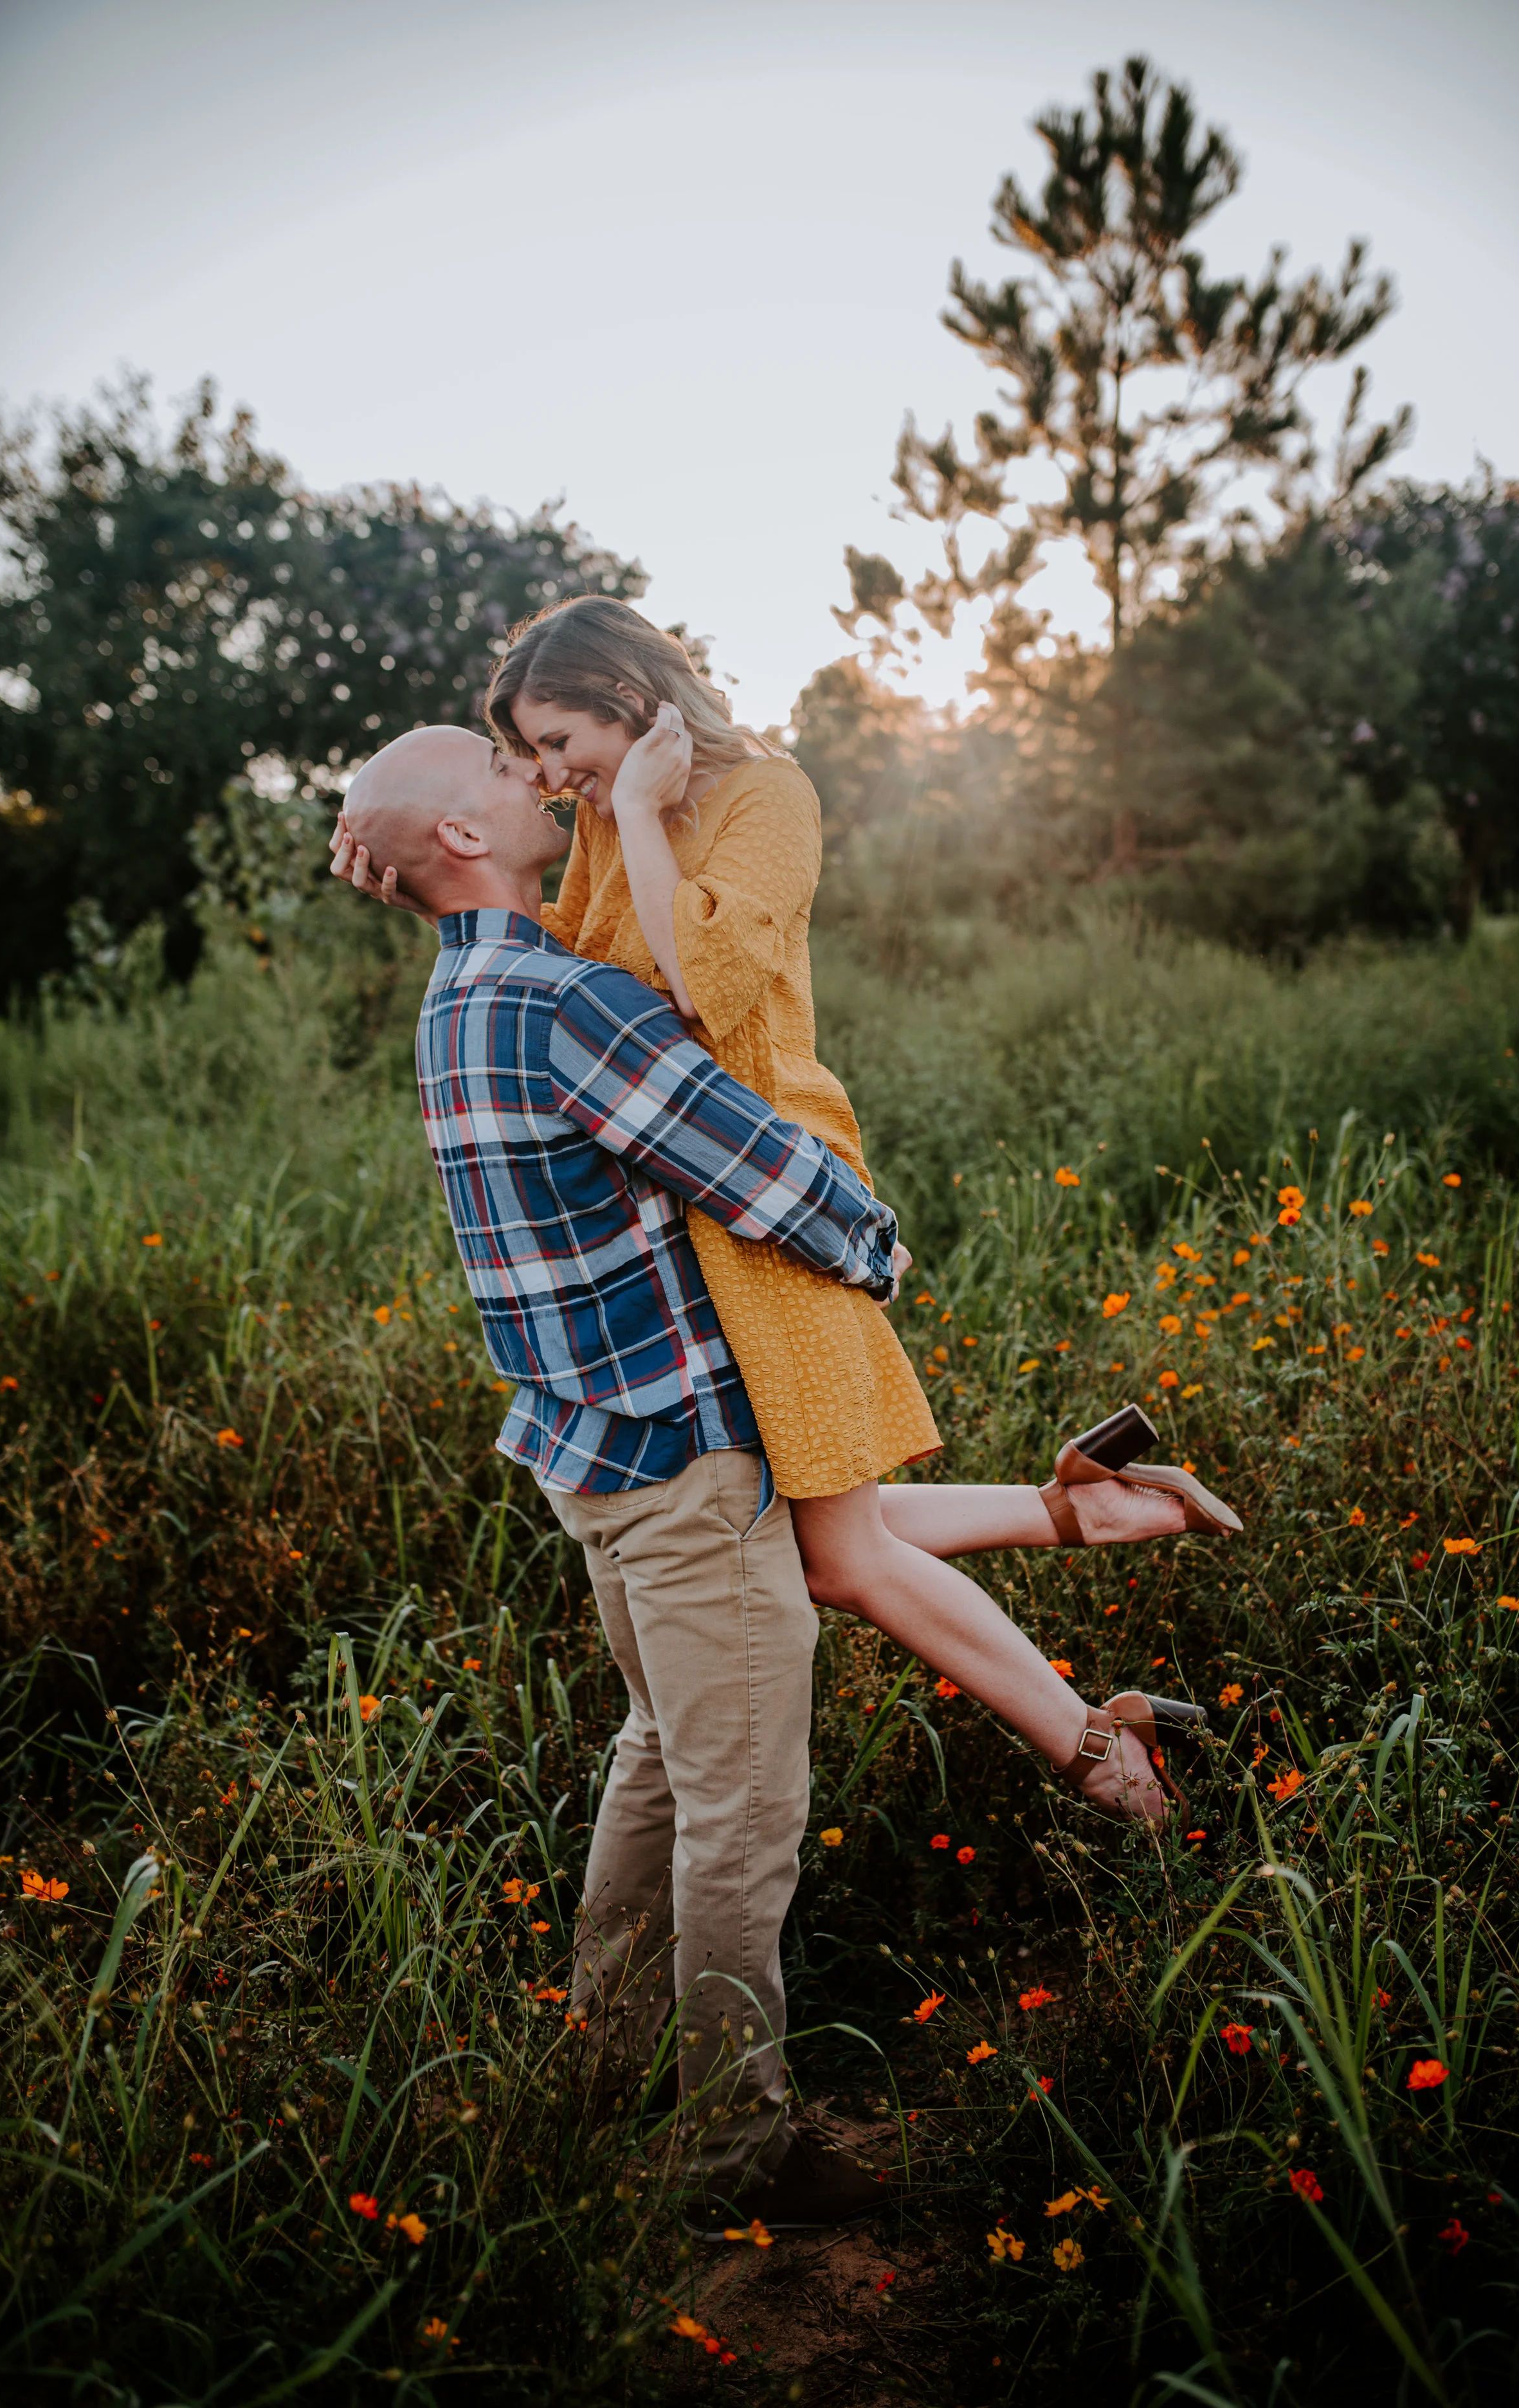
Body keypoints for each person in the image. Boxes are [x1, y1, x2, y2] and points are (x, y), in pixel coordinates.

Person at [333, 725, 1218, 2234]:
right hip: (686, 1463)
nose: (526, 773)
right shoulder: (566, 999)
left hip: (597, 1462)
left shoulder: (458, 999)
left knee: (663, 1763)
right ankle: (728, 2155)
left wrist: (1056, 1509)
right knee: (742, 1820)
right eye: (492, 771)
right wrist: (874, 1240)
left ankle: (607, 2067)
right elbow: (779, 1184)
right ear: (466, 843)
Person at [331, 600, 1242, 1825]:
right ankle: (1076, 1549)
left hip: (764, 1183)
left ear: (628, 699)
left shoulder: (766, 799)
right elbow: (561, 974)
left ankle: (1103, 1757)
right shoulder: (605, 813)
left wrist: (643, 814)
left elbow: (700, 988)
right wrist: (430, 885)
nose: (548, 780)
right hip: (682, 1189)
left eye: (556, 743)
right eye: (530, 758)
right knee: (808, 1536)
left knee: (832, 1551)